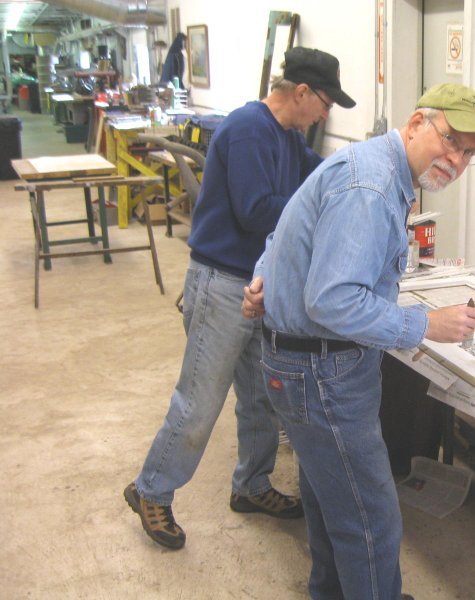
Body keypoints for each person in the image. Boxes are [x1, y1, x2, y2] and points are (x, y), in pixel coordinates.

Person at [242, 83, 475, 599]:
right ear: (417, 122)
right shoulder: (373, 185)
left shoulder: (368, 164)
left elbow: (283, 231)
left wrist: (264, 276)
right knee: (370, 519)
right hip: (322, 375)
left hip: (300, 364)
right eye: (451, 140)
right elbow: (332, 301)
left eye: (469, 153)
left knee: (330, 500)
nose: (456, 159)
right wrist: (425, 325)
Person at [124, 47, 356, 551]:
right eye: (325, 104)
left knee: (260, 398)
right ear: (301, 92)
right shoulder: (250, 129)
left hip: (257, 286)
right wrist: (318, 213)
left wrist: (359, 178)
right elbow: (255, 211)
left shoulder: (288, 137)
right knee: (199, 400)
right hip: (222, 284)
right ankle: (150, 489)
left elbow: (320, 174)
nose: (325, 115)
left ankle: (251, 484)